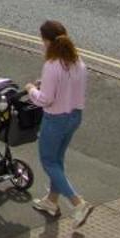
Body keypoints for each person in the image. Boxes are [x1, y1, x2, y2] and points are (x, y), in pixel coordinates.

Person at [27, 20, 91, 226]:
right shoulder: (77, 61)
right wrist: (43, 85)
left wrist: (31, 89)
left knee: (48, 162)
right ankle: (51, 201)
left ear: (46, 40)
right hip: (75, 117)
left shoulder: (52, 65)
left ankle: (77, 202)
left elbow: (45, 99)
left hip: (56, 120)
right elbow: (66, 88)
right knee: (58, 160)